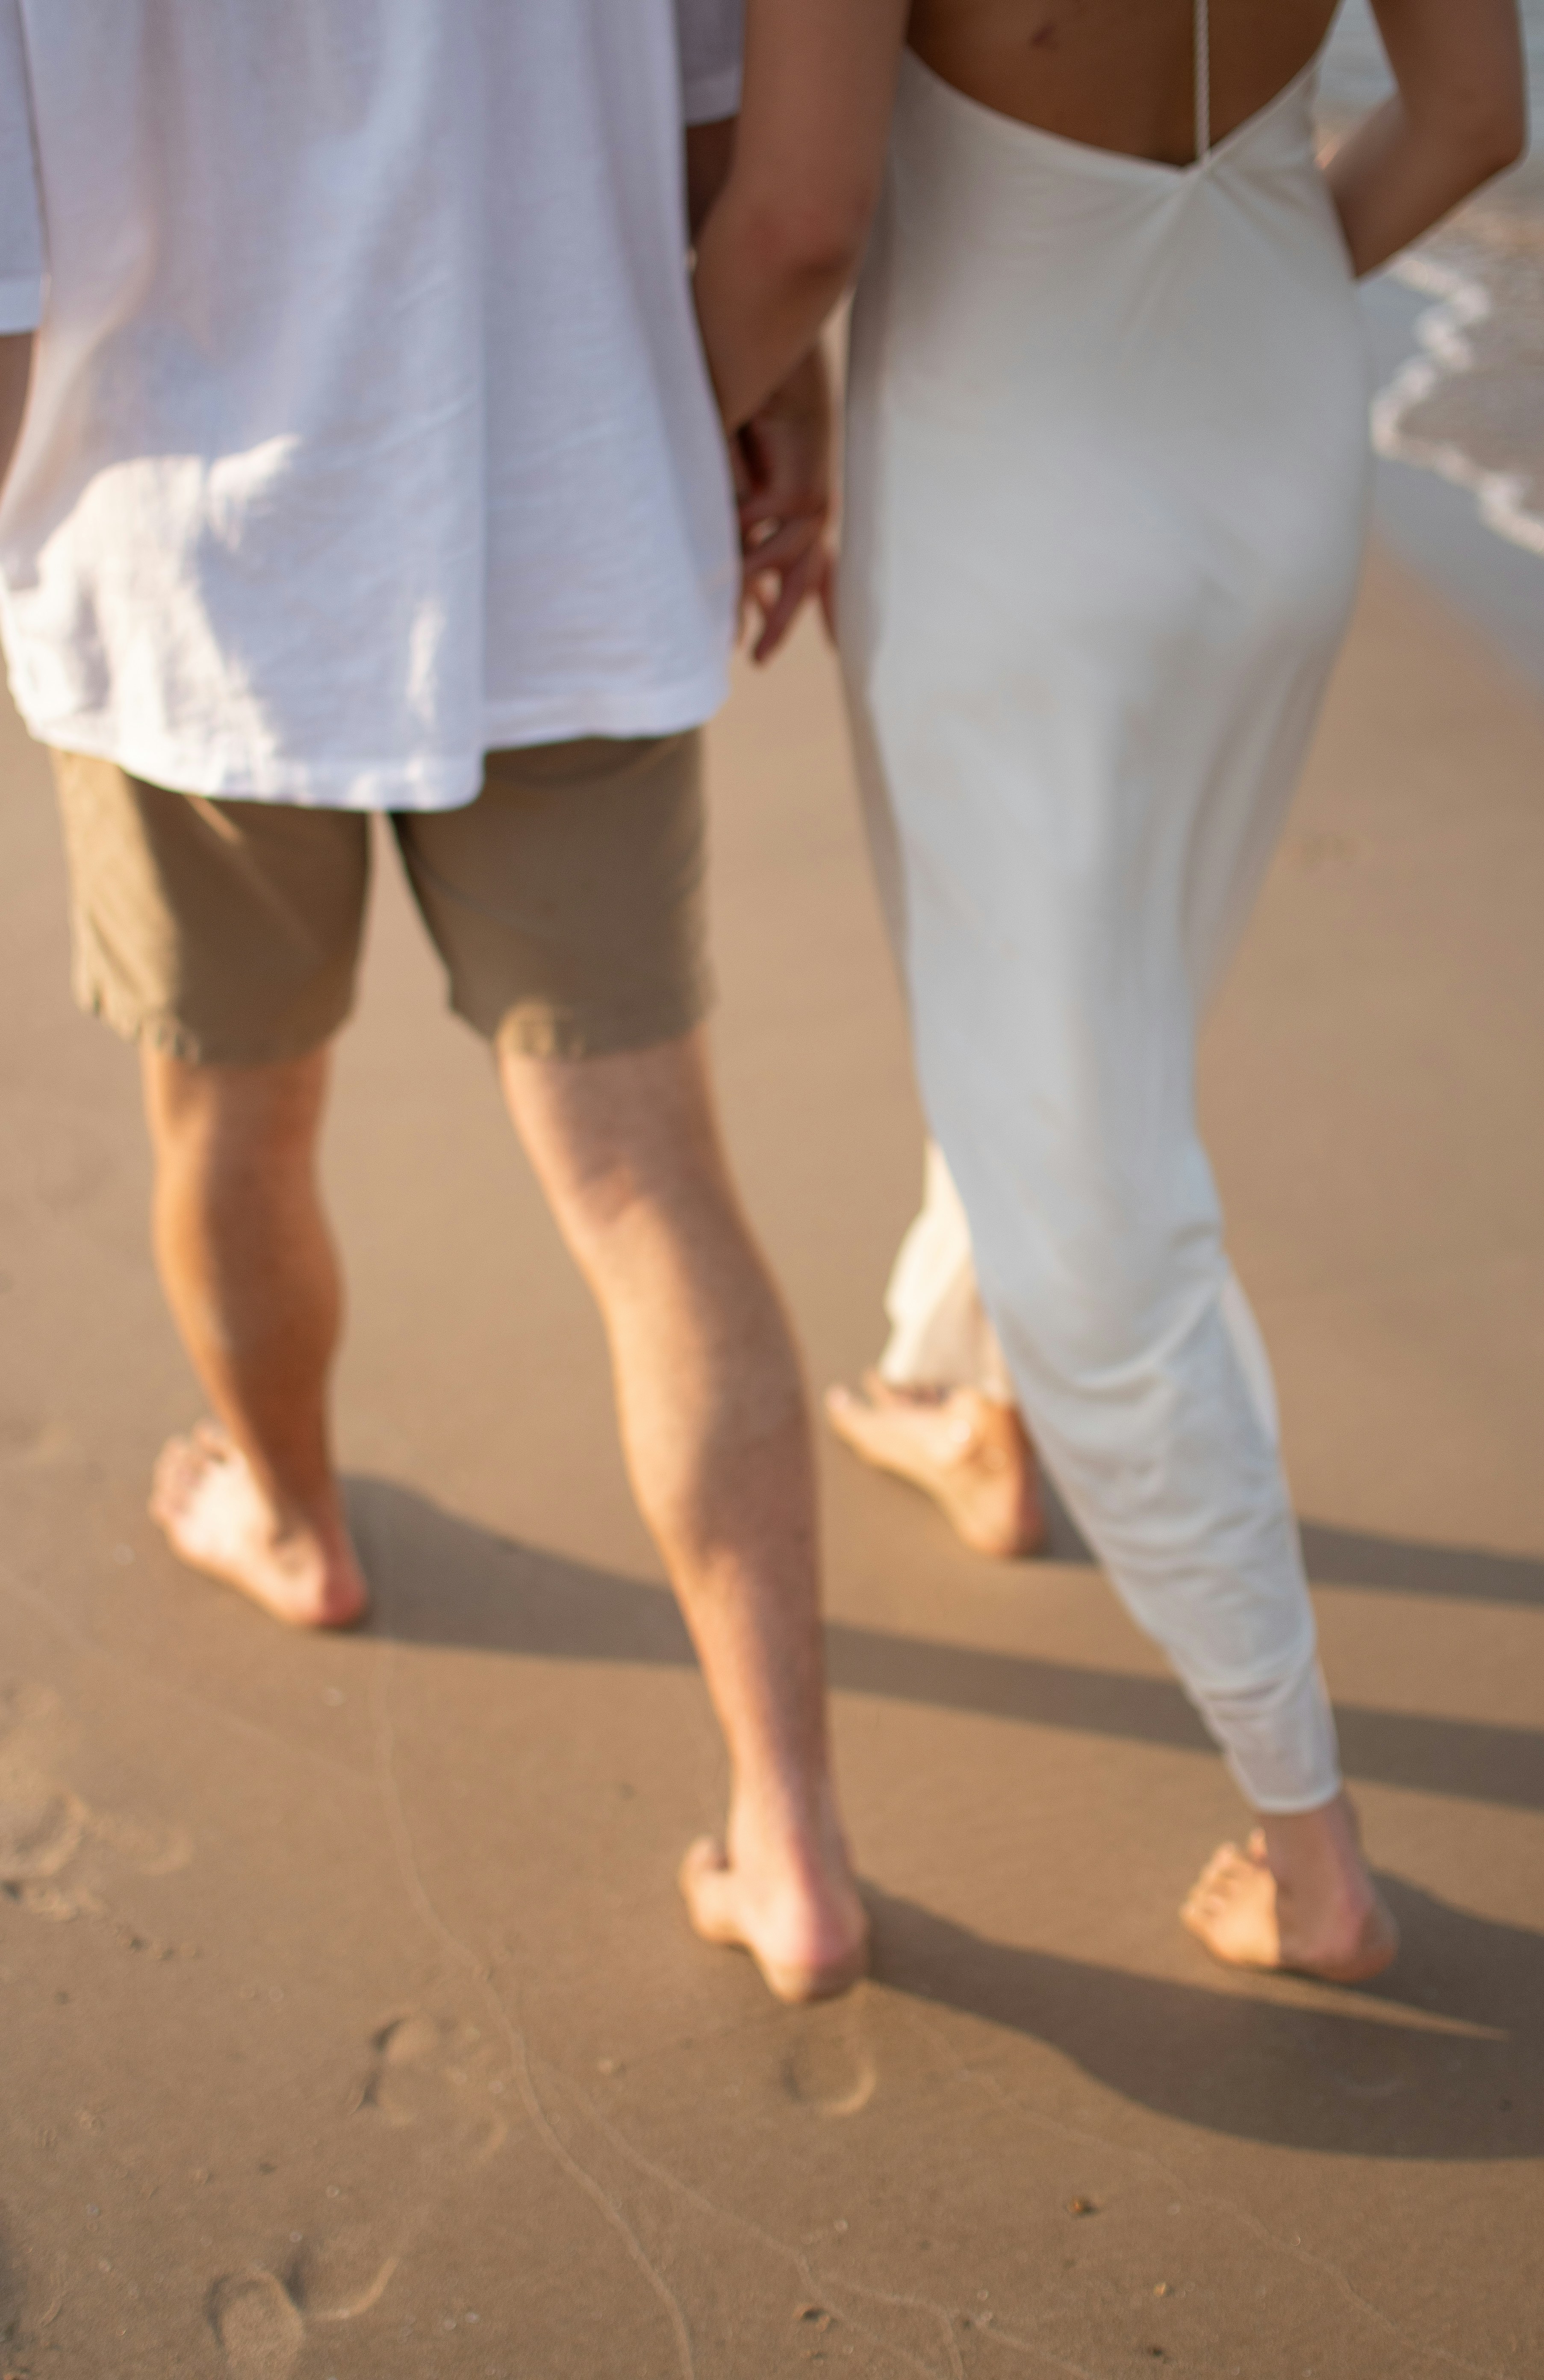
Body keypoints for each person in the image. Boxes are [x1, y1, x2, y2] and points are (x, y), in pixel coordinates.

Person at [0, 0, 865, 2005]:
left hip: (186, 575)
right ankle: (796, 1840)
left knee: (233, 1118)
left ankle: (294, 1523)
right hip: (565, 541)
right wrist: (750, 395)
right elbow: (769, 192)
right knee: (650, 1196)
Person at [691, 0, 1526, 1982]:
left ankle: (1308, 1848)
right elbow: (1475, 121)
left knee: (1095, 1183)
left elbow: (804, 217)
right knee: (1089, 1006)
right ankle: (955, 1394)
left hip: (1011, 489)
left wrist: (656, 424)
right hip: (1272, 453)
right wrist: (1213, 305)